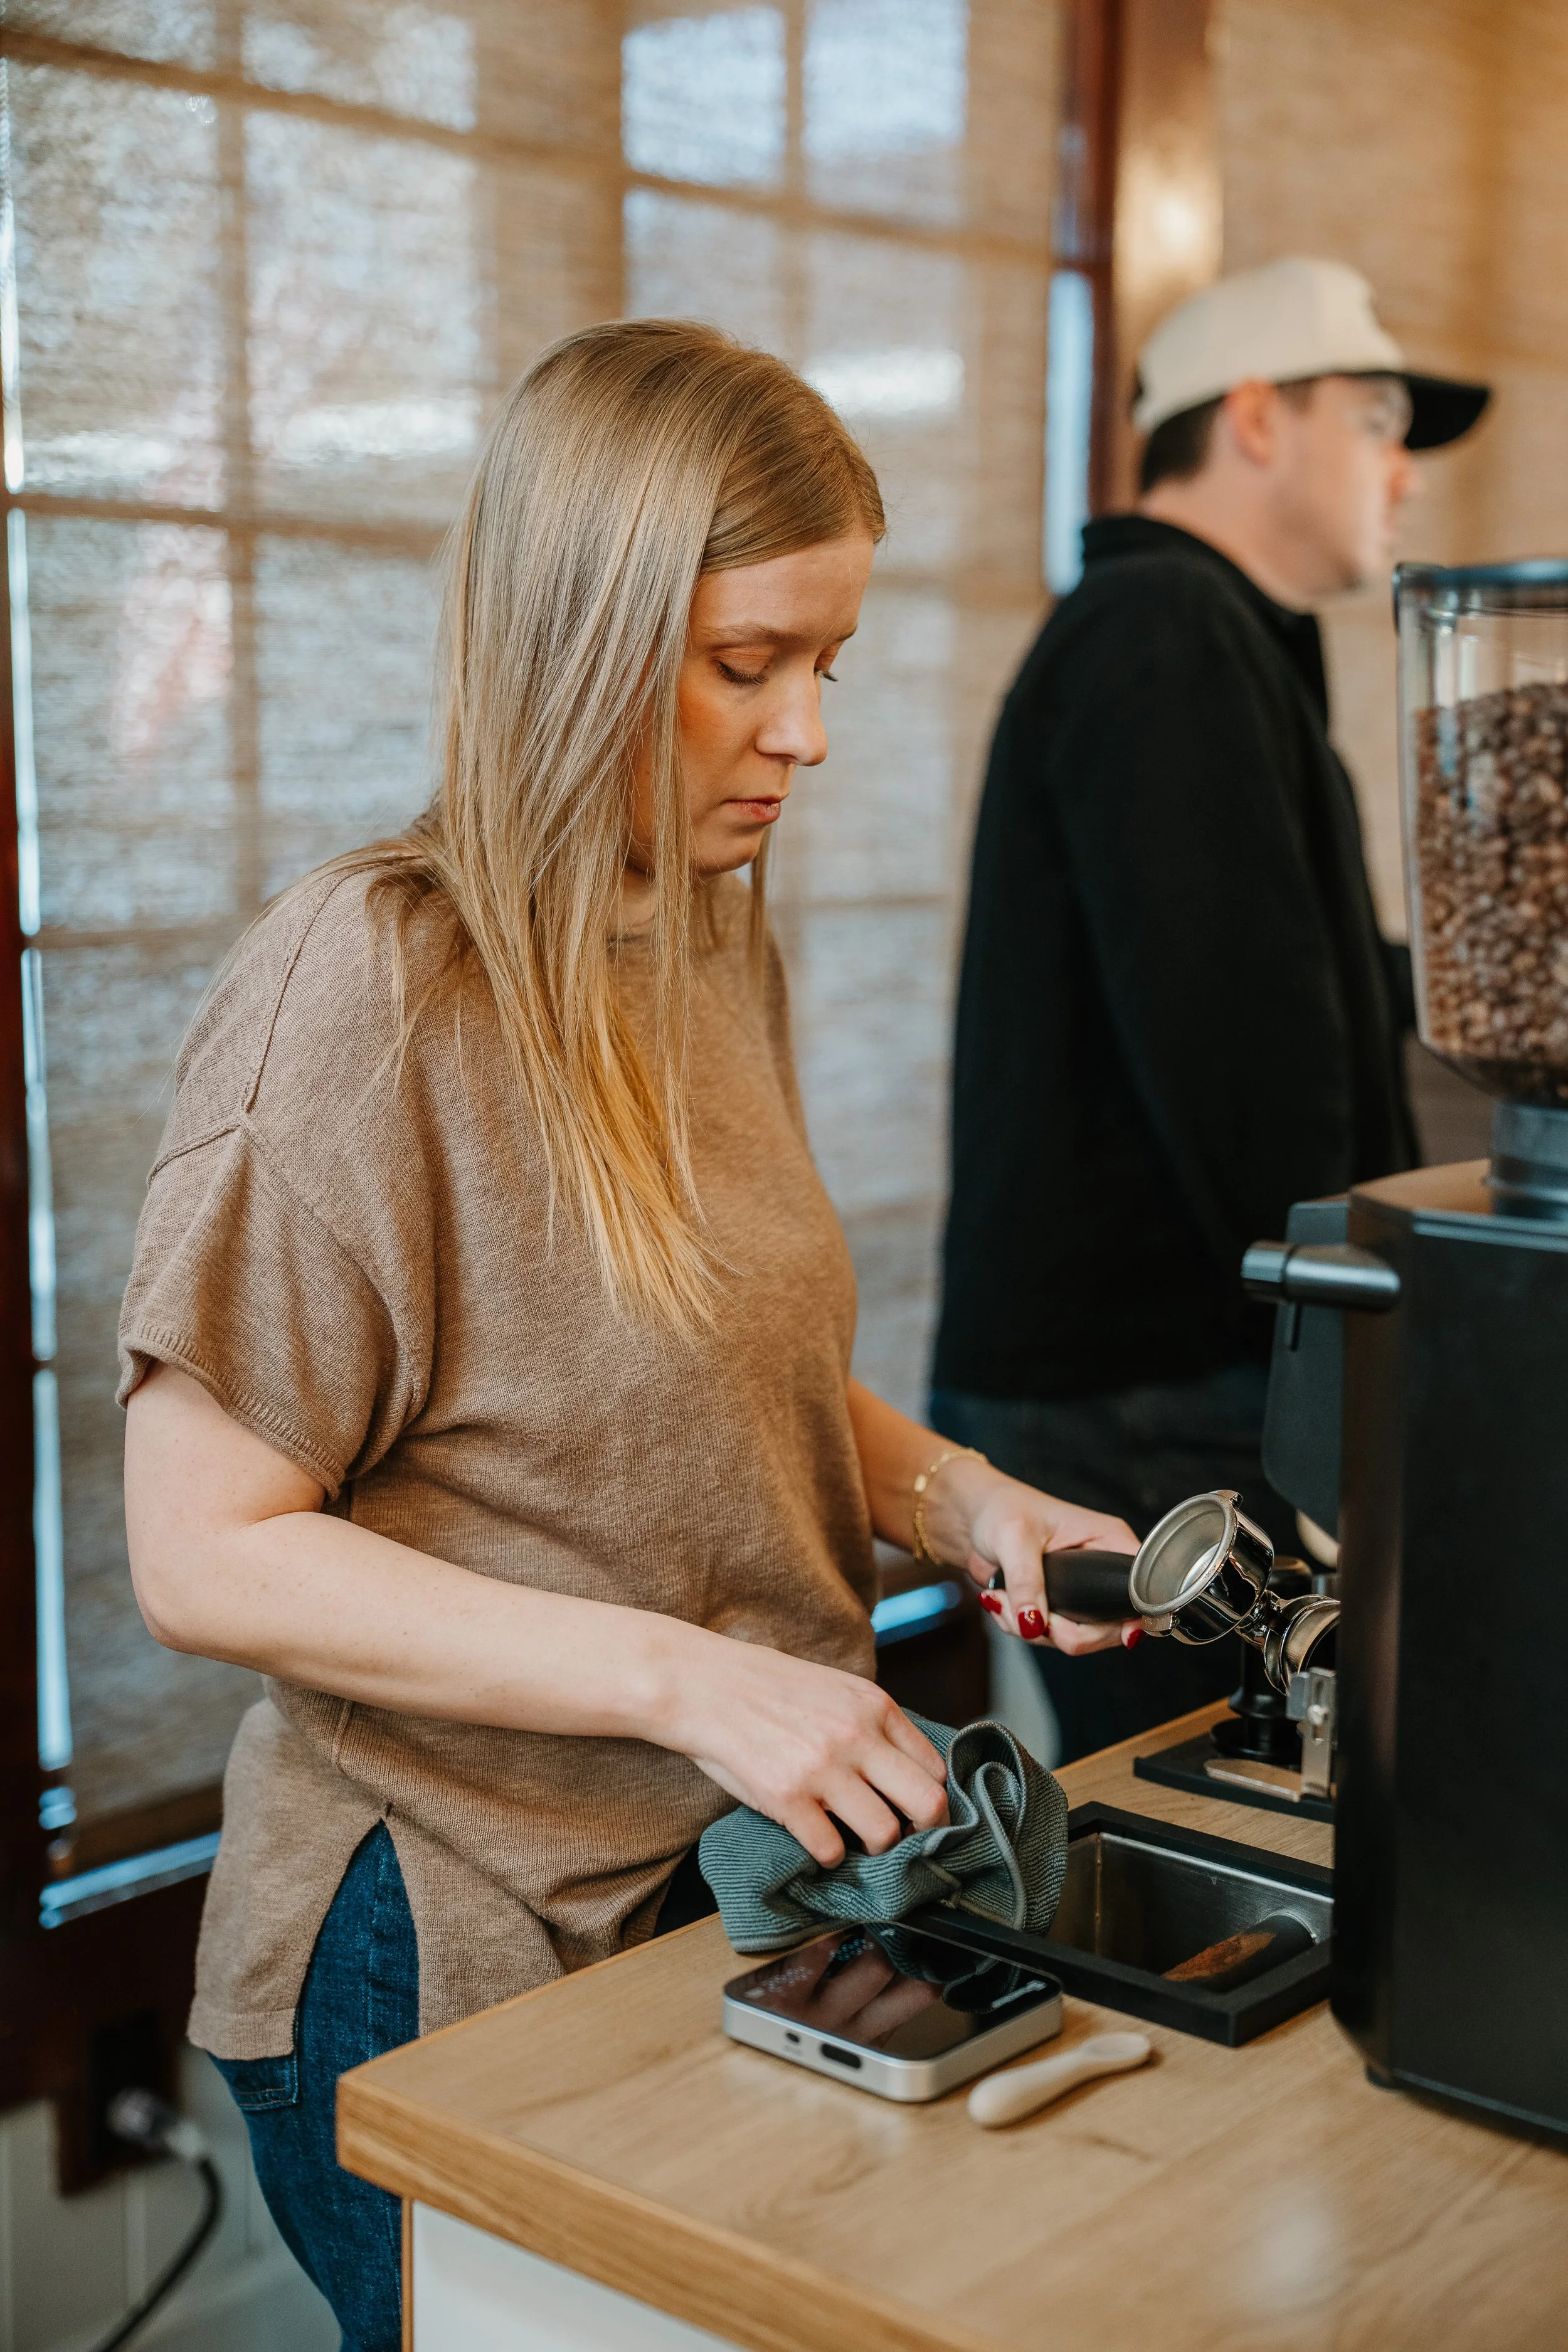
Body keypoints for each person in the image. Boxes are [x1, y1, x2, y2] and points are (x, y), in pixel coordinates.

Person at [119, 322, 1139, 2352]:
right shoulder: (371, 979)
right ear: (578, 633)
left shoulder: (705, 929)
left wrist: (962, 1499)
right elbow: (201, 1550)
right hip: (447, 1928)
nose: (805, 732)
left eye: (827, 664)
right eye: (747, 662)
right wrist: (700, 1682)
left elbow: (696, 1367)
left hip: (724, 1892)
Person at [931, 257, 1490, 1764]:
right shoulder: (1160, 630)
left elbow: (1292, 971)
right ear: (1253, 418)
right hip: (1141, 1398)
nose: (1402, 475)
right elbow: (1249, 1065)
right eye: (1375, 421)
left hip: (1155, 1382)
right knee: (1248, 1815)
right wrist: (1379, 1353)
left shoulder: (1201, 631)